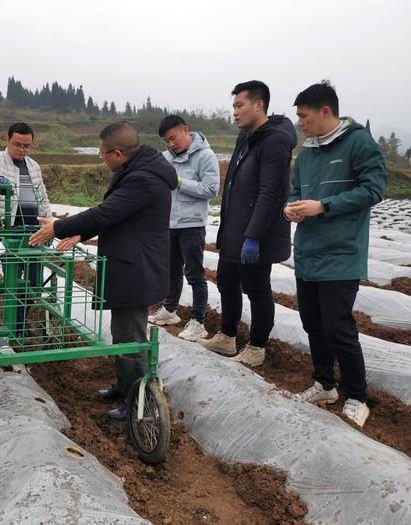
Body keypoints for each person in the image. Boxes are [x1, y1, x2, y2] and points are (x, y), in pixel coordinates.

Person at [29, 122, 176, 420]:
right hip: (129, 263)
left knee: (132, 338)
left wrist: (57, 227)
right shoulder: (138, 169)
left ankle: (140, 403)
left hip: (137, 269)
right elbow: (118, 214)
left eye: (102, 153)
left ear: (118, 153)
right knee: (122, 333)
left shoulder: (144, 179)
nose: (102, 158)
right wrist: (81, 234)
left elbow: (108, 212)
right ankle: (125, 387)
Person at [284, 80, 387, 428]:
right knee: (312, 323)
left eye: (304, 115)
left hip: (341, 254)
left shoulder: (359, 143)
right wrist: (291, 207)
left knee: (338, 327)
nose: (300, 122)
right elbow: (296, 191)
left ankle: (357, 395)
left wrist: (323, 206)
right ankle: (324, 384)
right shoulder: (309, 152)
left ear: (325, 111)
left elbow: (374, 188)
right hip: (309, 252)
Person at [197, 80, 296, 366]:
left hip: (257, 234)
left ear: (258, 104)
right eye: (234, 106)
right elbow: (234, 187)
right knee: (226, 282)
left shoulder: (275, 140)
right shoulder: (246, 137)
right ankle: (227, 337)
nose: (235, 112)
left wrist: (252, 237)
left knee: (256, 288)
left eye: (240, 105)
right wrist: (227, 229)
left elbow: (270, 193)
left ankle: (257, 346)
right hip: (235, 229)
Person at [148, 115, 220, 341]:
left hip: (192, 224)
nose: (171, 144)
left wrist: (178, 181)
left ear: (185, 130)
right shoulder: (165, 158)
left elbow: (211, 189)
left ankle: (198, 320)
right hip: (169, 223)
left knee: (195, 274)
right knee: (171, 270)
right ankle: (170, 310)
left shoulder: (205, 156)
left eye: (173, 138)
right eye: (166, 141)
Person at [0, 122, 52, 336]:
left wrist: (48, 224)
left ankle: (19, 321)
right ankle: (16, 327)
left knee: (34, 283)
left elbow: (42, 197)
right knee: (14, 281)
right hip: (8, 232)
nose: (22, 149)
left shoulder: (33, 165)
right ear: (8, 140)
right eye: (17, 144)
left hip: (33, 232)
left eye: (27, 146)